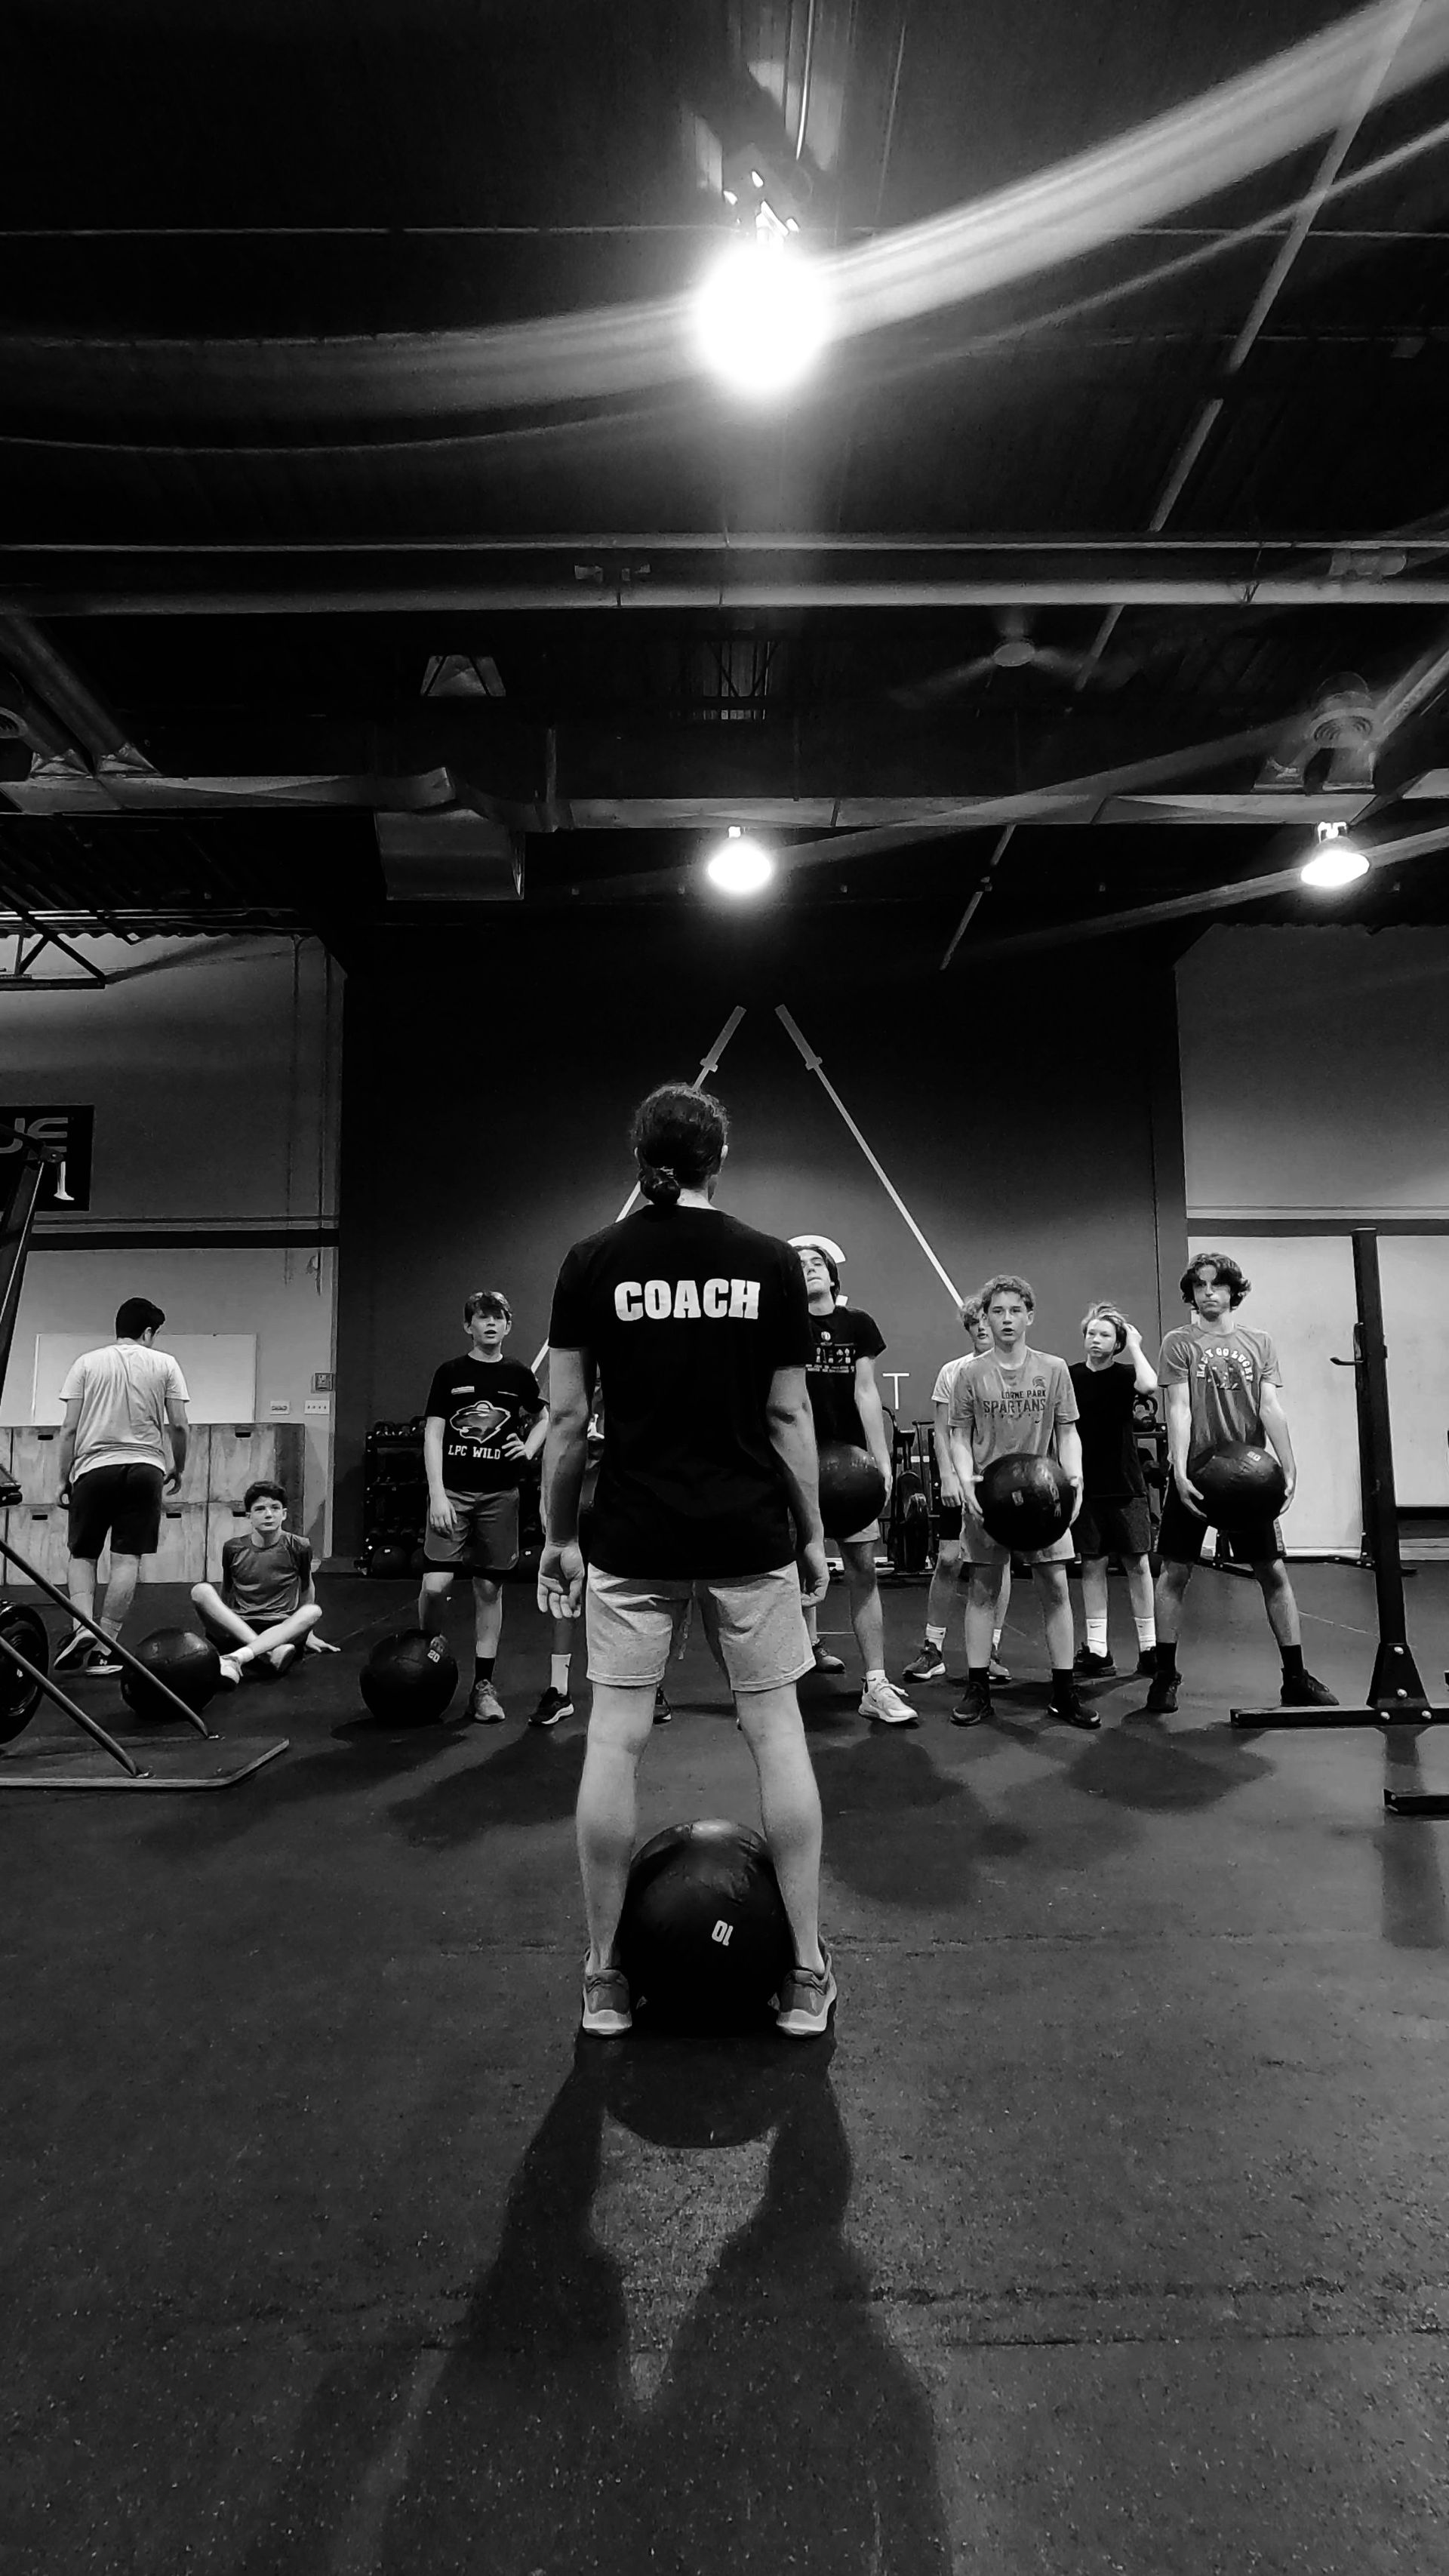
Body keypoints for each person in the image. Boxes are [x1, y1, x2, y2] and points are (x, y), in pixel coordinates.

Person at [539, 1081, 835, 2041]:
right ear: (720, 1159)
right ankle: (805, 1974)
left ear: (642, 1158)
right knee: (777, 1735)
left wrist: (559, 1535)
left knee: (616, 1739)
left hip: (635, 1534)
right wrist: (815, 1530)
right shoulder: (769, 1262)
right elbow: (789, 1414)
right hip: (749, 1531)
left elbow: (571, 1421)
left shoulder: (593, 1259)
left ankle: (602, 1978)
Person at [1148, 1254, 1337, 1715]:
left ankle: (1295, 1677)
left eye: (1217, 1285)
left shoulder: (1260, 1342)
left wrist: (1288, 1466)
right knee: (1175, 1571)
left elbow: (1270, 1406)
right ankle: (1165, 1675)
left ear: (1234, 1292)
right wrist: (1177, 1468)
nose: (1208, 1293)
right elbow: (1179, 1408)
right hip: (1198, 1474)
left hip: (1248, 1477)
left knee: (1271, 1572)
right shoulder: (1179, 1342)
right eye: (1199, 1286)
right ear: (1190, 1294)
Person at [419, 1288, 574, 1726]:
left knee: (489, 1590)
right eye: (481, 1318)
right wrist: (437, 1493)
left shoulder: (519, 1375)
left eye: (498, 1318)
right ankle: (424, 1656)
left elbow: (545, 1417)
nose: (490, 1324)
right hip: (453, 1495)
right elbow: (433, 1434)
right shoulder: (449, 1373)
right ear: (468, 1326)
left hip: (499, 1496)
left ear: (508, 1326)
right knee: (435, 1586)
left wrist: (527, 1450)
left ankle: (482, 1687)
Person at [948, 1273, 1094, 1730]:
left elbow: (1068, 1432)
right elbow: (959, 1434)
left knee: (1054, 1588)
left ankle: (1064, 1691)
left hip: (1044, 1497)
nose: (1006, 1319)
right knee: (983, 1590)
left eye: (1015, 1311)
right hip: (989, 1500)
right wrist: (964, 1479)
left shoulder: (1053, 1370)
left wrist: (1075, 1477)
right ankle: (978, 1688)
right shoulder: (969, 1373)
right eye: (997, 1311)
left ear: (1030, 1317)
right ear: (985, 1319)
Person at [790, 1234, 916, 1728]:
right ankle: (789, 1674)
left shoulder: (857, 1324)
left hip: (850, 1470)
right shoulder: (783, 1326)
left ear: (832, 1272)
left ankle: (876, 1682)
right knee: (791, 1573)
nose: (810, 1267)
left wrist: (881, 1463)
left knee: (862, 1568)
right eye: (799, 1263)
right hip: (799, 1468)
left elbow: (867, 1392)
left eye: (816, 1260)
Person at [54, 1297, 189, 1676]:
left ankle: (82, 1627)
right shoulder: (165, 1364)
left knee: (83, 1554)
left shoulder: (86, 1363)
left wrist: (64, 1477)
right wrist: (178, 1466)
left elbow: (68, 1429)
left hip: (94, 1469)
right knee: (127, 1558)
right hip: (145, 1469)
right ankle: (105, 1646)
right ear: (147, 1332)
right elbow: (179, 1425)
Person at [903, 1294, 1012, 1688]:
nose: (983, 1327)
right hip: (960, 1480)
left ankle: (992, 1650)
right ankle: (932, 1650)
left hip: (999, 1483)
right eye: (975, 1323)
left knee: (999, 1563)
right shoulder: (953, 1371)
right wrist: (949, 1478)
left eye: (988, 1319)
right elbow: (943, 1430)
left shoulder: (1014, 1369)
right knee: (949, 1558)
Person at [1069, 1303, 1159, 1680]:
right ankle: (1097, 1649)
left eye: (1104, 1334)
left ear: (1117, 1342)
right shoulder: (1071, 1376)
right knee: (1092, 1563)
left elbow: (1150, 1385)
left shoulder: (1126, 1375)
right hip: (1087, 1484)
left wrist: (1136, 1345)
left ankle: (1150, 1648)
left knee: (1137, 1563)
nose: (1096, 1340)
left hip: (1124, 1482)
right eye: (1091, 1333)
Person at [190, 1479, 334, 1681]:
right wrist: (223, 1622)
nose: (268, 1514)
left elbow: (306, 1587)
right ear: (249, 1516)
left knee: (313, 1611)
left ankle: (238, 1657)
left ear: (283, 1514)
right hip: (240, 1627)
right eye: (260, 1509)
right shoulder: (232, 1548)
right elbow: (228, 1590)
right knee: (200, 1591)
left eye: (275, 1508)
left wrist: (308, 1633)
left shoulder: (299, 1546)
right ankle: (267, 1654)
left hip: (282, 1630)